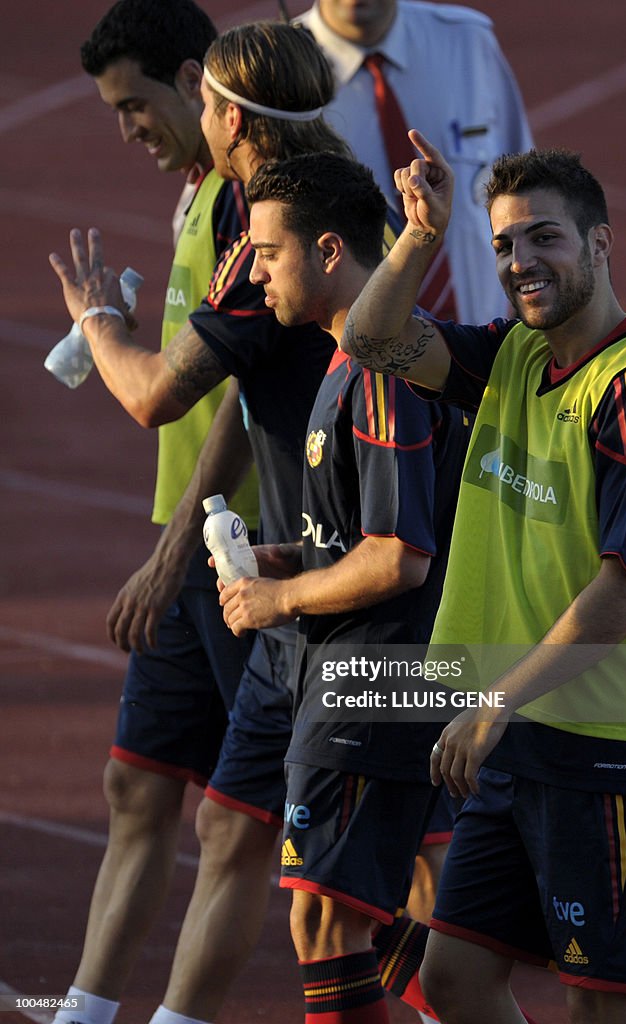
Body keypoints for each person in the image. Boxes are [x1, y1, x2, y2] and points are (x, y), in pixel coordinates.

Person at [50, 24, 455, 1024]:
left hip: (347, 612)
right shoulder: (274, 219)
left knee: (384, 885)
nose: (260, 274)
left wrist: (98, 321)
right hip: (288, 574)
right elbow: (241, 394)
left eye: (271, 260)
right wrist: (192, 544)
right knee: (272, 860)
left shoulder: (297, 253)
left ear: (225, 109)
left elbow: (162, 399)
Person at [340, 132, 626, 1023]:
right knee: (456, 977)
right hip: (516, 732)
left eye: (543, 237)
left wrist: (494, 701)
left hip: (606, 744)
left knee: (605, 1006)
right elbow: (368, 339)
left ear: (598, 243)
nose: (519, 262)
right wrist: (419, 234)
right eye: (503, 244)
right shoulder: (509, 357)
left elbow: (625, 592)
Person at [219, 149, 472, 1024]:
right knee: (347, 919)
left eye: (266, 251)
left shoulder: (375, 373)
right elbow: (364, 536)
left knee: (326, 921)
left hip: (376, 680)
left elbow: (401, 554)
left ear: (329, 251)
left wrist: (277, 602)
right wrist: (290, 558)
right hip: (373, 676)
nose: (253, 273)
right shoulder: (345, 361)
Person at [50, 4, 260, 1023]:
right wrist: (120, 333)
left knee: (262, 827)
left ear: (193, 78)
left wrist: (96, 325)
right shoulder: (198, 198)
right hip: (182, 550)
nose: (127, 127)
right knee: (135, 788)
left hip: (238, 560)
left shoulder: (248, 207)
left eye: (136, 103)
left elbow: (247, 401)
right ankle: (86, 1013)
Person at [296, 0, 533, 323]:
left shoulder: (467, 41)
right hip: (361, 354)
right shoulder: (282, 67)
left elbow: (521, 182)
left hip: (485, 336)